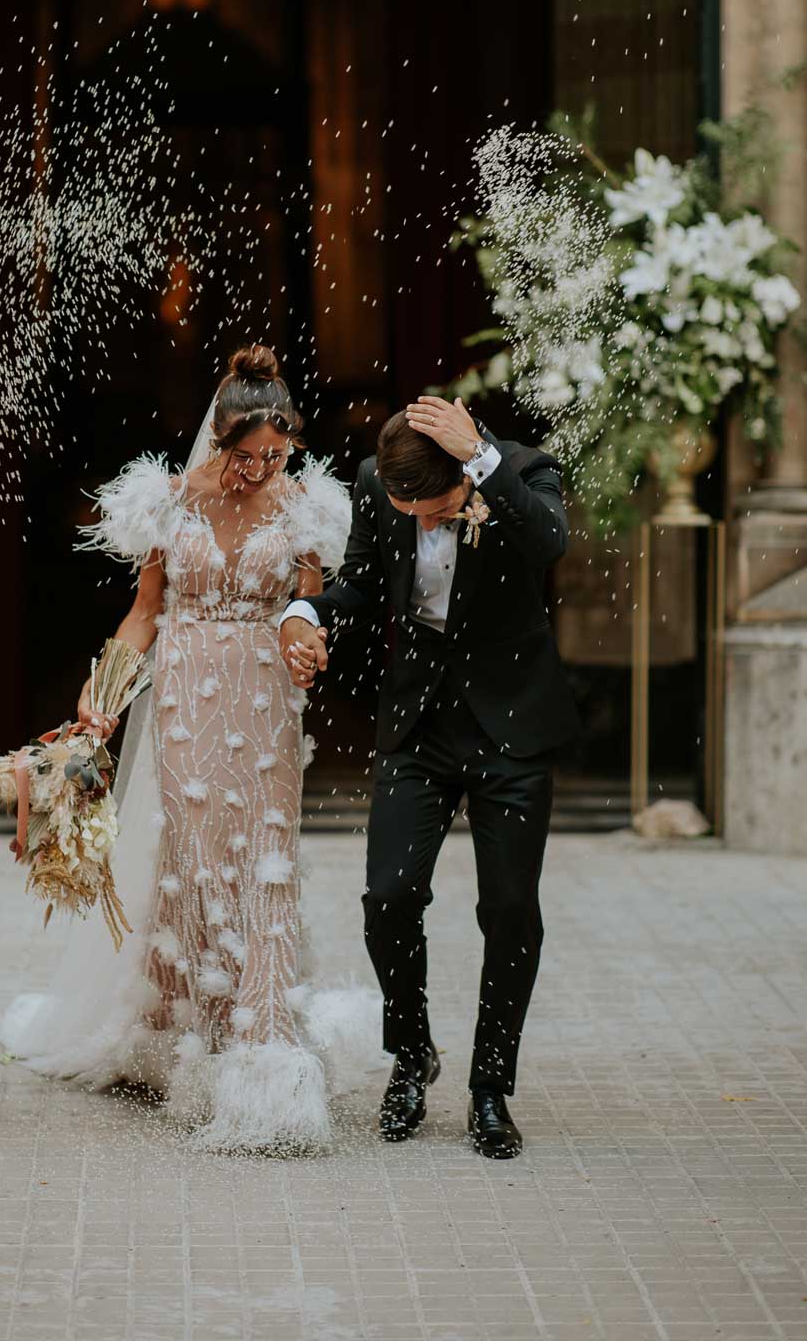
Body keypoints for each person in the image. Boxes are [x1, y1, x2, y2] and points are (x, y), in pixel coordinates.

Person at [1, 345, 380, 1152]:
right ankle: (197, 1027)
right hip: (183, 685)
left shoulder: (308, 509)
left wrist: (309, 645)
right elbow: (145, 610)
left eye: (276, 455)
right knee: (197, 849)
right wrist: (102, 693)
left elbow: (311, 611)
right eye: (245, 456)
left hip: (264, 691)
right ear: (218, 439)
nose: (259, 470)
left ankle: (266, 1040)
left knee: (264, 855)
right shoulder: (171, 507)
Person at [280, 394, 578, 1154]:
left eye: (438, 508)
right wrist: (306, 615)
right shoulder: (376, 483)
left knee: (508, 911)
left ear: (465, 472)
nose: (419, 521)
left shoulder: (520, 471)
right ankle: (410, 1054)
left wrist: (482, 461)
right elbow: (365, 587)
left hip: (511, 730)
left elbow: (547, 543)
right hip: (418, 729)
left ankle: (488, 1088)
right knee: (388, 895)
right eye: (404, 507)